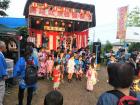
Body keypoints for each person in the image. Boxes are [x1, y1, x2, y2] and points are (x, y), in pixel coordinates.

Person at [0, 41, 8, 105]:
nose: (6, 46)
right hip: (0, 77)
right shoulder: (0, 55)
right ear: (1, 47)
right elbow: (1, 66)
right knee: (1, 90)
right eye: (5, 45)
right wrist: (4, 74)